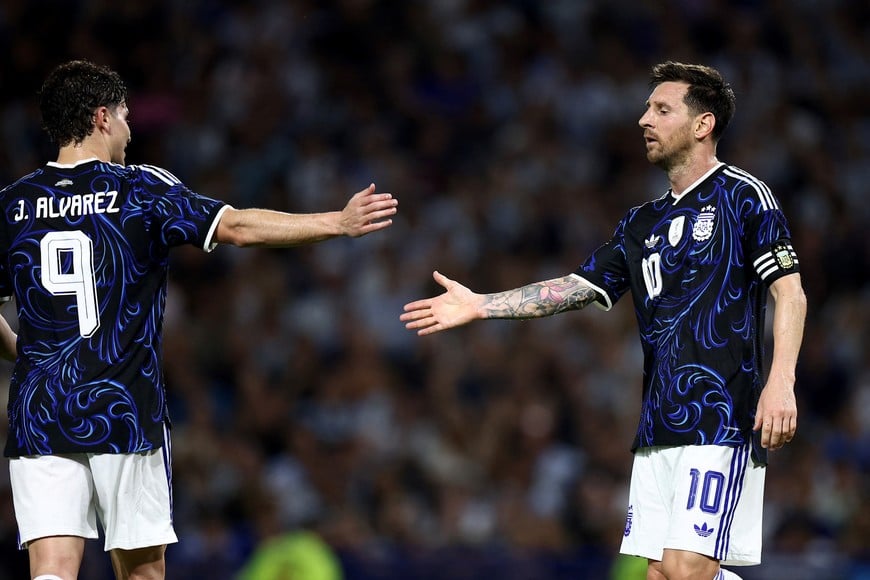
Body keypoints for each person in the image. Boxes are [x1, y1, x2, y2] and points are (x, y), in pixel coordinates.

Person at [401, 61, 806, 580]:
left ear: (702, 124)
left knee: (686, 570)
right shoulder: (640, 223)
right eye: (646, 108)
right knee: (660, 574)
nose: (644, 119)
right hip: (657, 423)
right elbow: (575, 288)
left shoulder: (744, 195)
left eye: (661, 109)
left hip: (720, 413)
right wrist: (483, 304)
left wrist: (781, 381)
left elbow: (790, 293)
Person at [0, 59, 397, 580]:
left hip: (40, 408)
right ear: (101, 117)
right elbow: (236, 227)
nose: (129, 130)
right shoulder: (139, 189)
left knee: (51, 569)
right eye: (124, 115)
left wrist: (21, 349)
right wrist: (336, 222)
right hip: (122, 407)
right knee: (142, 572)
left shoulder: (11, 206)